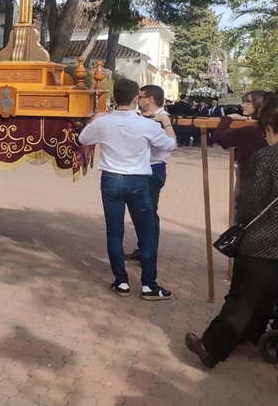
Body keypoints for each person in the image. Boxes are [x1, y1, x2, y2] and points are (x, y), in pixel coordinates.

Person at [185, 104, 278, 369]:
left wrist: (243, 220)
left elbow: (249, 204)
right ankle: (252, 334)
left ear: (270, 129)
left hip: (264, 242)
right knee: (268, 295)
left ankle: (210, 347)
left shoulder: (267, 157)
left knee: (243, 298)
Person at [78, 78, 176, 300]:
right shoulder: (147, 124)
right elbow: (171, 145)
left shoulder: (104, 122)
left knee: (114, 233)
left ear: (113, 98)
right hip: (137, 181)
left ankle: (121, 282)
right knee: (147, 233)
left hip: (111, 180)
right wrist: (166, 123)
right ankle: (149, 285)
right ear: (135, 99)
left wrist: (95, 119)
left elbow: (83, 139)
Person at [125, 85, 177, 261]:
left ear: (150, 100)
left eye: (140, 97)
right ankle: (143, 248)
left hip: (154, 168)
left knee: (148, 211)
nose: (137, 100)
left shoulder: (162, 118)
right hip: (140, 167)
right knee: (139, 211)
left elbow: (168, 144)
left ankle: (149, 253)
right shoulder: (144, 117)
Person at [213, 90, 268, 189]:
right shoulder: (265, 127)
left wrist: (228, 118)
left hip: (250, 189)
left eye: (248, 102)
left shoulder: (250, 131)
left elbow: (219, 136)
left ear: (260, 103)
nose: (243, 105)